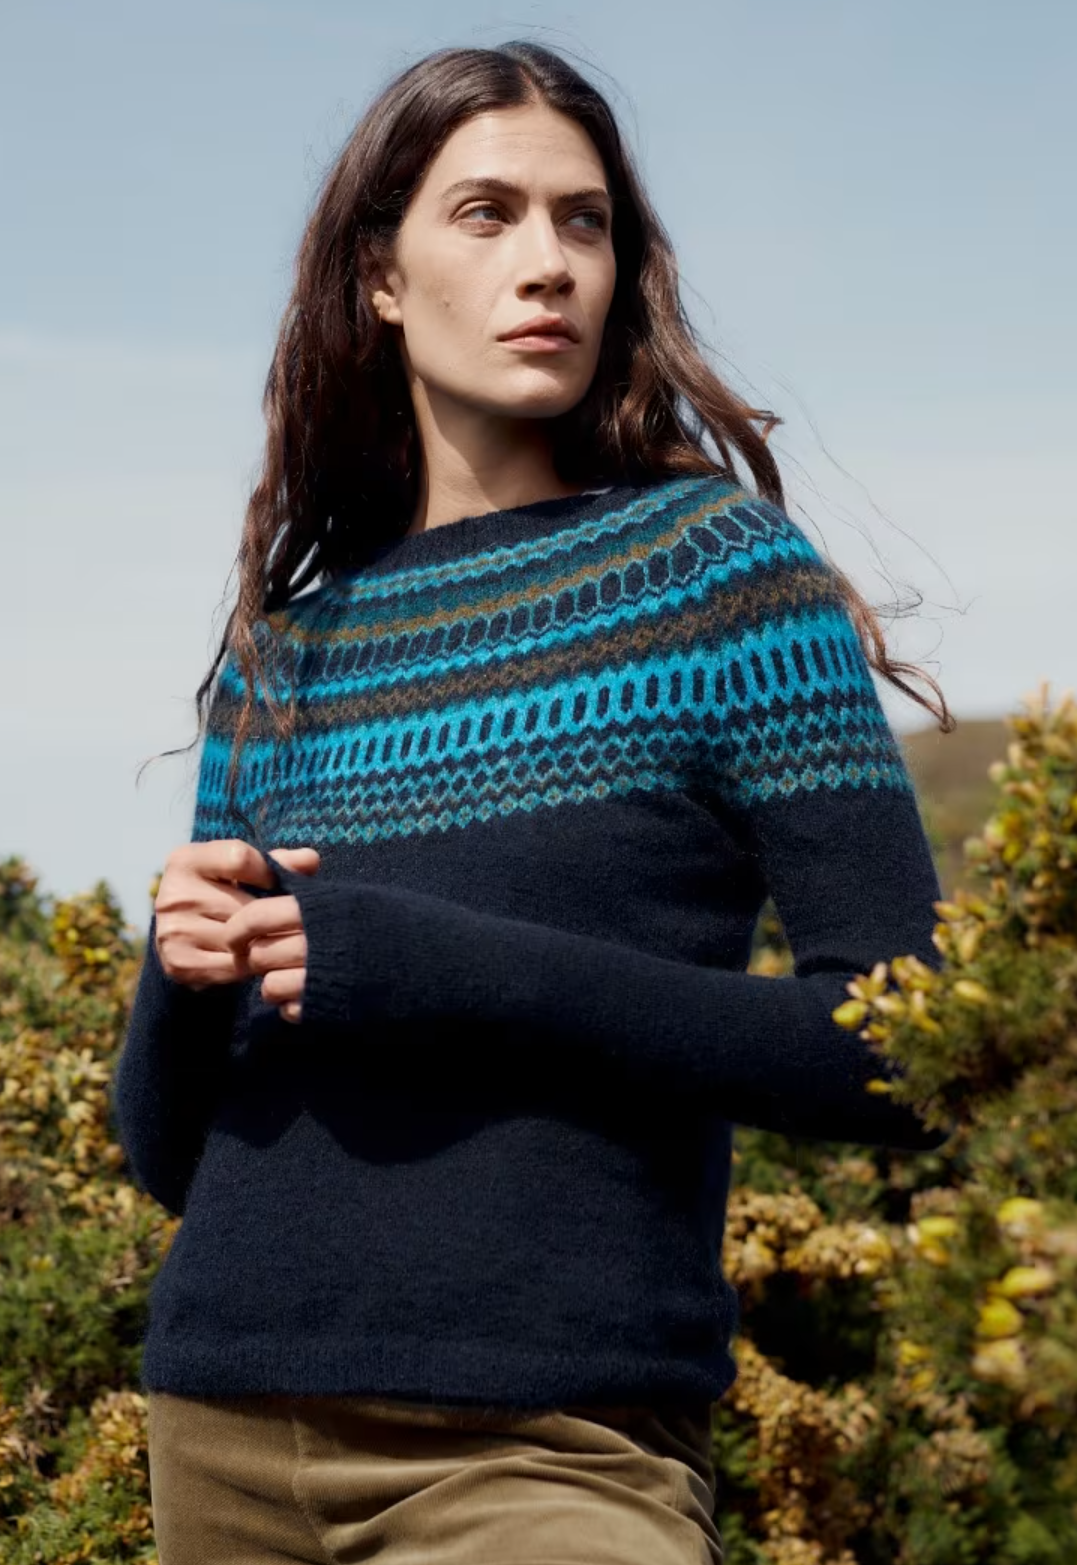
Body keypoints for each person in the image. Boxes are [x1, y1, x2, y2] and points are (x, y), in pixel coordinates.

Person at [113, 40, 954, 1565]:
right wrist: (176, 983)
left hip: (545, 1446)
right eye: (486, 214)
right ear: (381, 275)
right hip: (223, 1437)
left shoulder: (717, 582)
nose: (549, 262)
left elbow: (903, 1052)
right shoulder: (282, 655)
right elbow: (175, 1156)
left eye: (584, 221)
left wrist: (450, 969)